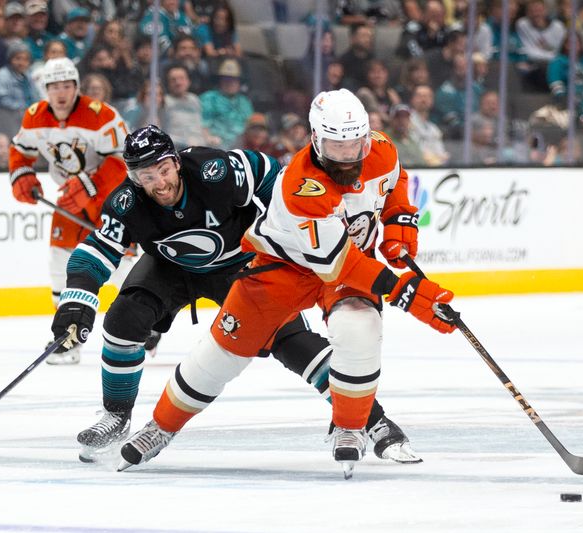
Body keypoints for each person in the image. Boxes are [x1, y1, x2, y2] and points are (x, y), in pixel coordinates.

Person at [116, 90, 457, 478]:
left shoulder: (380, 147)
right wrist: (407, 294)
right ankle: (161, 427)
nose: (348, 155)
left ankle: (349, 425)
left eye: (354, 144)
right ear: (315, 138)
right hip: (286, 268)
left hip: (349, 265)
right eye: (335, 145)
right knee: (221, 352)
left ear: (366, 135)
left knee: (359, 327)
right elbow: (339, 263)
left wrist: (399, 219)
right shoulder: (301, 186)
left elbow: (395, 180)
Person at [49, 124, 420, 466]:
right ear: (133, 178)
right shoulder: (127, 203)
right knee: (122, 320)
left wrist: (281, 228)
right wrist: (76, 303)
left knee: (291, 341)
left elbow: (276, 175)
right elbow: (95, 252)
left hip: (239, 263)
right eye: (146, 176)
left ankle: (370, 419)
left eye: (163, 170)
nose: (159, 183)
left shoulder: (216, 169)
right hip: (169, 266)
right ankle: (116, 415)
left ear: (176, 162)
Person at [8, 57, 129, 365]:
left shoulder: (101, 116)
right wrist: (22, 175)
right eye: (54, 87)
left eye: (66, 86)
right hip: (69, 199)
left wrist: (89, 185)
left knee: (119, 263)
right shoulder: (35, 117)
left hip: (109, 199)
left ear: (77, 87)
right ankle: (67, 336)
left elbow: (122, 161)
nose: (60, 93)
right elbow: (20, 152)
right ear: (45, 89)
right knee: (61, 261)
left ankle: (144, 321)